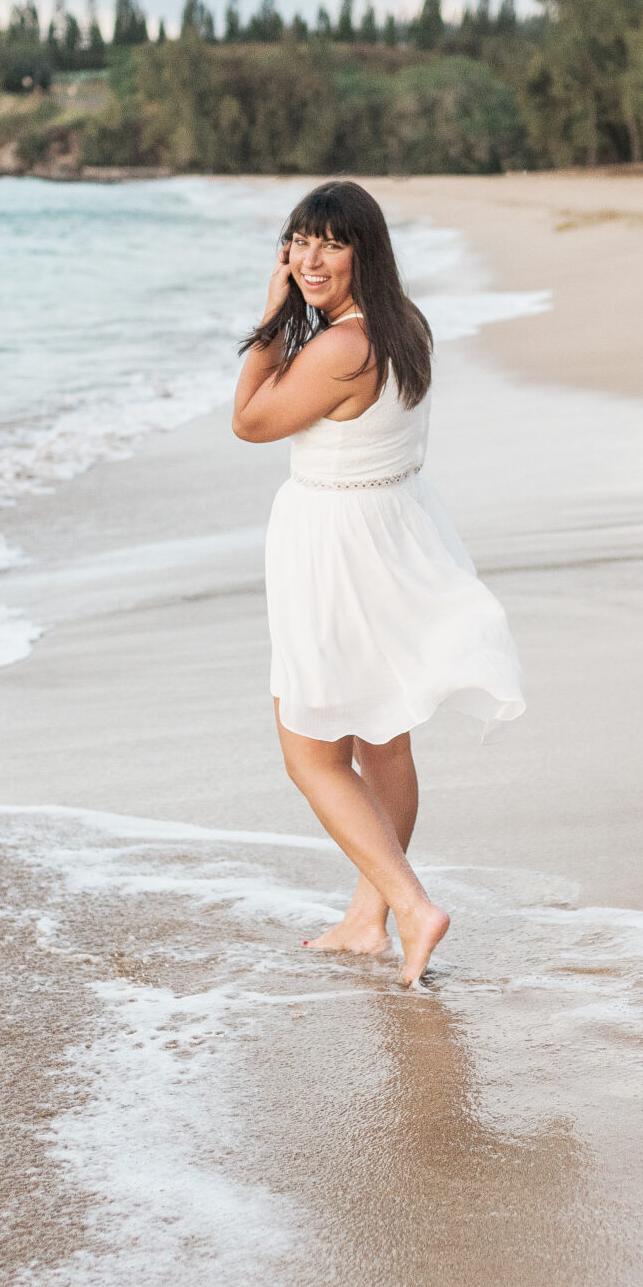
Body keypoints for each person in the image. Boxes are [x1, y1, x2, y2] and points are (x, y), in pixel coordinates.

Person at [232, 180, 525, 987]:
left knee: (311, 754)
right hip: (391, 530)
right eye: (299, 241)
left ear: (365, 250)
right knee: (382, 736)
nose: (311, 258)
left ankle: (408, 903)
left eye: (331, 242)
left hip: (336, 550)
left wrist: (269, 317)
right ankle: (367, 918)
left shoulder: (339, 347)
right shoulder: (405, 327)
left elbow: (250, 419)